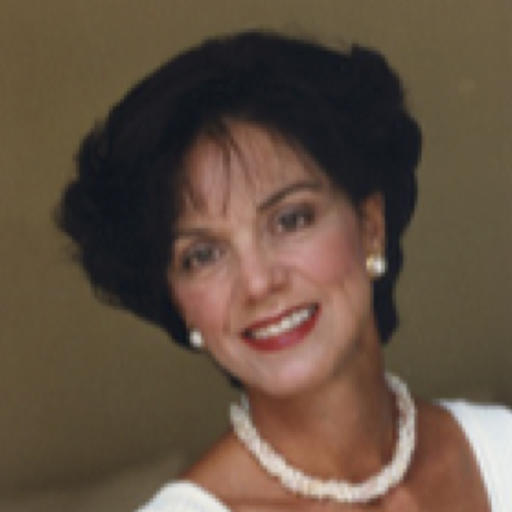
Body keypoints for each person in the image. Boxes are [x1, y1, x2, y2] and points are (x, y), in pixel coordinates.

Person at [57, 31, 511, 511]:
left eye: (290, 220)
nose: (258, 282)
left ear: (371, 226)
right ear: (177, 300)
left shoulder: (501, 450)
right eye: (203, 255)